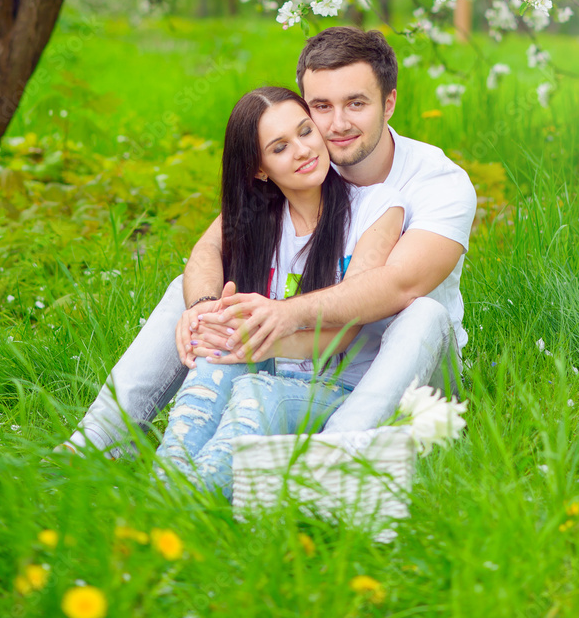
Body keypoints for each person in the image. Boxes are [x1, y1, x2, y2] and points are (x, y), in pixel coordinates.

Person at [60, 27, 476, 458]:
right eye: (321, 106)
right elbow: (209, 249)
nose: (337, 124)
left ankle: (336, 454)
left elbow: (398, 287)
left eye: (356, 103)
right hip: (303, 365)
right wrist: (205, 310)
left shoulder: (438, 182)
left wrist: (283, 315)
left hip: (409, 374)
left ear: (388, 103)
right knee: (187, 297)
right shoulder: (303, 166)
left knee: (423, 313)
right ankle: (97, 440)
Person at [152, 85, 404, 497]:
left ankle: (184, 504)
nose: (304, 150)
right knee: (213, 363)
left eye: (306, 132)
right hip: (265, 371)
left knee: (250, 386)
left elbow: (342, 331)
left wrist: (253, 344)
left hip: (338, 390)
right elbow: (205, 250)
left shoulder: (377, 207)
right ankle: (165, 488)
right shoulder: (258, 215)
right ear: (260, 169)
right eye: (280, 147)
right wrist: (203, 313)